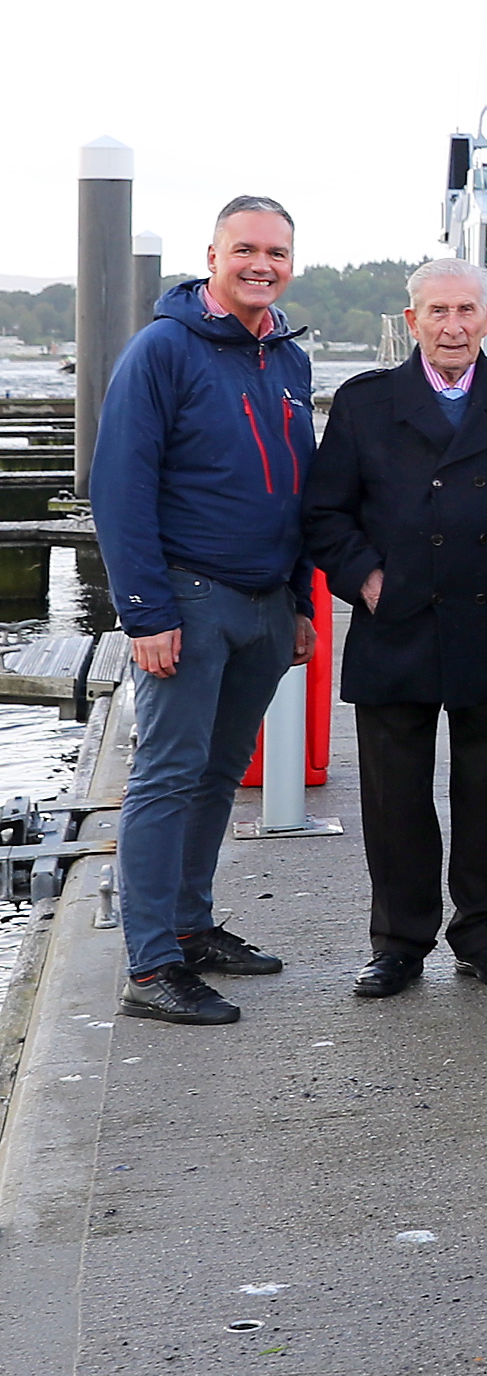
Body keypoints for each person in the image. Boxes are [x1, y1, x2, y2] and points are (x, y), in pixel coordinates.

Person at [306, 259, 487, 995]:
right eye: (437, 312)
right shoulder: (365, 402)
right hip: (399, 620)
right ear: (412, 321)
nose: (453, 326)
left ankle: (484, 931)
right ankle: (398, 940)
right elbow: (326, 513)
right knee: (394, 795)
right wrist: (368, 581)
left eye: (466, 311)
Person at [90, 196, 316, 1026]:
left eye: (278, 252)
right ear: (213, 255)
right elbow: (118, 485)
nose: (263, 264)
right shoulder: (163, 351)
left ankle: (189, 924)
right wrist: (145, 613)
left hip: (264, 603)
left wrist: (297, 600)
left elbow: (300, 484)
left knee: (220, 773)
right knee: (166, 776)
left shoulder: (284, 357)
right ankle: (150, 966)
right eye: (247, 249)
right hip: (187, 597)